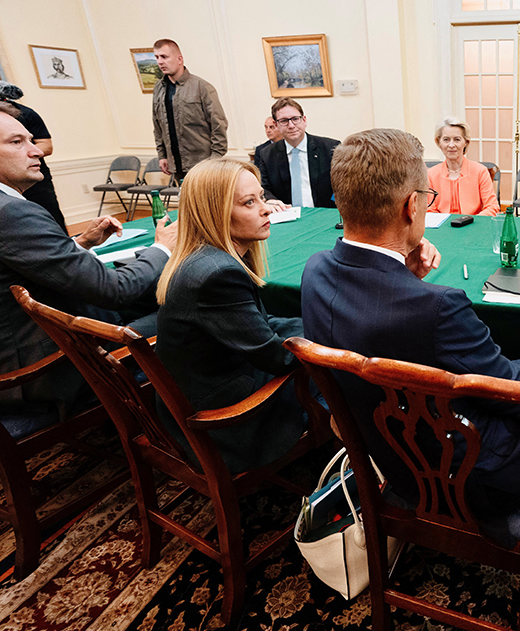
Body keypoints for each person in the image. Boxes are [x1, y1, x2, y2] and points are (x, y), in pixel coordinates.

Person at [301, 128, 520, 518]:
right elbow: (519, 393)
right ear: (412, 205)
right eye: (427, 201)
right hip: (480, 466)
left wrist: (405, 278)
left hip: (386, 451)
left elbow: (383, 322)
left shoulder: (314, 272)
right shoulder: (439, 306)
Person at [0, 102, 176, 409]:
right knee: (193, 311)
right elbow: (115, 290)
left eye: (30, 139)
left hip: (36, 341)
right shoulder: (12, 213)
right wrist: (162, 247)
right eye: (17, 142)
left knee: (158, 298)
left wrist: (81, 242)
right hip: (47, 369)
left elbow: (27, 265)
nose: (37, 150)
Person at [154, 158, 306, 472]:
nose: (265, 209)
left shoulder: (205, 258)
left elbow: (259, 326)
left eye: (261, 197)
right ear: (216, 213)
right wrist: (334, 336)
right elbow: (279, 358)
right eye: (250, 202)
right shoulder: (217, 273)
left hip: (207, 389)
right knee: (346, 379)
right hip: (225, 424)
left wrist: (320, 324)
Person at [151, 38, 228, 184]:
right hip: (176, 167)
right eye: (157, 57)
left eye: (164, 57)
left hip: (203, 165)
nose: (160, 62)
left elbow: (219, 125)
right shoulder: (158, 89)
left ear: (179, 59)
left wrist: (215, 160)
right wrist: (162, 156)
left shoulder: (202, 87)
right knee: (186, 206)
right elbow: (157, 125)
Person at [0, 80, 67, 232]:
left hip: (35, 181)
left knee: (51, 223)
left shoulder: (26, 114)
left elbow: (46, 146)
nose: (37, 152)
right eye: (16, 141)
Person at [257, 99, 340, 211]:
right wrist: (270, 200)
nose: (291, 125)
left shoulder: (330, 148)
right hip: (287, 217)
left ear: (304, 120)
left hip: (324, 214)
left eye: (295, 119)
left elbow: (343, 185)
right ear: (276, 125)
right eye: (284, 121)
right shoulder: (267, 154)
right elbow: (263, 188)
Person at [427, 117, 500, 216]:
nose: (451, 145)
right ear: (439, 142)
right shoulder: (430, 174)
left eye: (457, 139)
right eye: (446, 140)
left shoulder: (480, 171)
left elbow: (492, 207)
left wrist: (472, 222)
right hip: (442, 228)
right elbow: (429, 209)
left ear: (466, 142)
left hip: (473, 226)